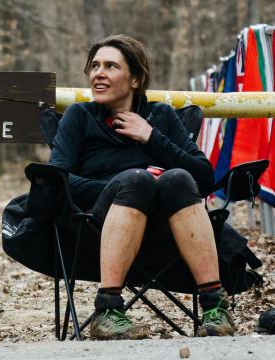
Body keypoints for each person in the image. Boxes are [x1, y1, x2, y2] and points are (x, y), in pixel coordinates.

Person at [49, 34, 235, 339]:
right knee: (137, 179)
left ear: (135, 79)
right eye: (94, 66)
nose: (99, 73)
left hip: (168, 228)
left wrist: (151, 136)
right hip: (99, 225)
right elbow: (57, 178)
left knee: (179, 178)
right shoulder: (79, 117)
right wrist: (122, 185)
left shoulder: (160, 116)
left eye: (111, 66)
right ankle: (107, 309)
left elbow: (204, 178)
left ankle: (215, 307)